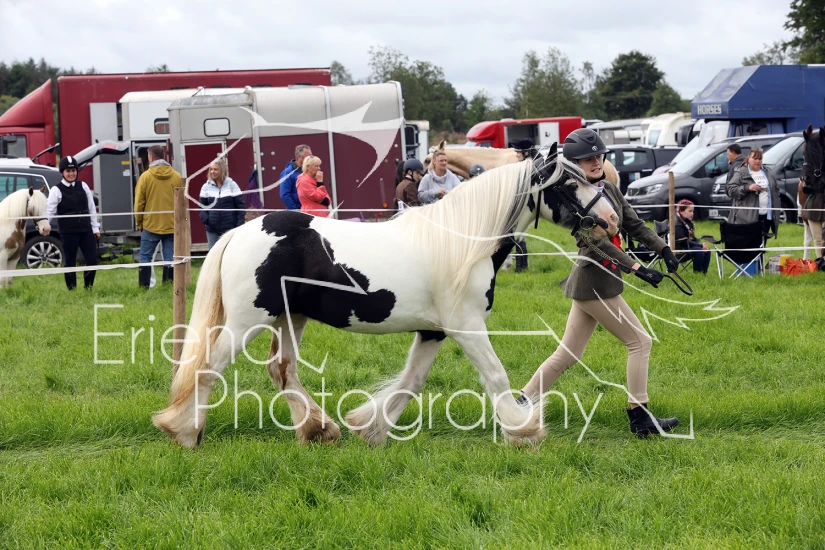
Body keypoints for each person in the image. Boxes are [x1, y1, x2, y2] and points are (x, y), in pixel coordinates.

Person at [519, 128, 680, 437]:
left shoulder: (610, 190)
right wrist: (637, 268)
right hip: (594, 282)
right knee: (640, 342)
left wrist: (664, 250)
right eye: (587, 159)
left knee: (568, 354)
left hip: (593, 284)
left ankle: (521, 402)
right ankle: (640, 417)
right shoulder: (574, 199)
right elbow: (595, 243)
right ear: (574, 164)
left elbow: (635, 224)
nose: (596, 162)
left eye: (599, 157)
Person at [46, 155, 100, 290]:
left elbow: (91, 208)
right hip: (68, 232)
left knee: (92, 260)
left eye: (73, 171)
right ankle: (72, 290)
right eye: (68, 171)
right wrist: (45, 225)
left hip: (86, 230)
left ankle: (88, 287)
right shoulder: (56, 190)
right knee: (70, 262)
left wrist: (95, 228)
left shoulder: (84, 186)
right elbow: (50, 211)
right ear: (62, 173)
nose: (71, 174)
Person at [134, 145, 183, 288]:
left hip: (151, 225)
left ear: (151, 157)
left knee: (146, 257)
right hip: (172, 225)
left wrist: (139, 223)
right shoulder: (177, 176)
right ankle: (169, 287)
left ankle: (144, 287)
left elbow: (139, 203)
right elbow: (182, 202)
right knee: (170, 258)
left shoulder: (145, 177)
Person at [726, 148, 780, 237]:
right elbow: (731, 190)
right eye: (755, 158)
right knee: (751, 242)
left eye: (760, 159)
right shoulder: (740, 171)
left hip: (767, 215)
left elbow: (776, 189)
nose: (757, 161)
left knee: (763, 241)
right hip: (748, 218)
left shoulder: (767, 171)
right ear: (748, 158)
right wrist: (748, 188)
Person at [199, 159, 246, 249]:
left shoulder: (232, 185)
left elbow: (240, 206)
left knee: (230, 251)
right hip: (212, 228)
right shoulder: (205, 187)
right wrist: (206, 220)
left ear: (222, 170)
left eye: (215, 169)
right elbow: (202, 207)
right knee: (212, 252)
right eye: (211, 169)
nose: (212, 172)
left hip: (230, 228)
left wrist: (239, 224)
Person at [512, 138, 536, 273]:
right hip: (523, 204)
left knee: (518, 235)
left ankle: (520, 267)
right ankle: (522, 266)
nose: (516, 155)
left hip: (525, 205)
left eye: (518, 152)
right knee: (519, 235)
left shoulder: (528, 167)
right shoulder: (527, 165)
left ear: (526, 152)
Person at [674, 199, 711, 274]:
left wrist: (702, 245)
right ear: (681, 211)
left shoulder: (687, 222)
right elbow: (683, 242)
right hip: (678, 251)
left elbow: (692, 238)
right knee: (699, 251)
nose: (692, 213)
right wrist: (700, 245)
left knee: (707, 250)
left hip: (687, 247)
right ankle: (697, 274)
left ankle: (703, 273)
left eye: (693, 211)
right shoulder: (677, 224)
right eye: (690, 211)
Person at [279, 144, 312, 210]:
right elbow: (284, 194)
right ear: (299, 157)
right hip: (297, 210)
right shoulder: (288, 172)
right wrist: (295, 210)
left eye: (311, 156)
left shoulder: (310, 170)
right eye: (308, 156)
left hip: (310, 209)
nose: (310, 159)